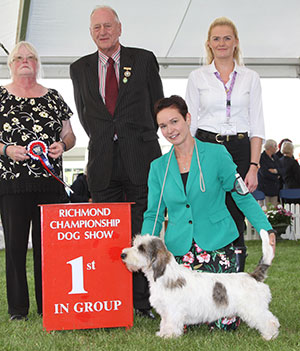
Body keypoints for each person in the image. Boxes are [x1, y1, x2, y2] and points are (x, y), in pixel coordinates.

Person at [141, 95, 276, 331]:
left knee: (225, 321)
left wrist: (266, 228)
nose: (170, 130)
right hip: (180, 252)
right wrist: (145, 246)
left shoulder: (217, 154)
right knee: (179, 319)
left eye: (174, 121)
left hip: (217, 244)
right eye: (163, 126)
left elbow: (241, 195)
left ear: (188, 119)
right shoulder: (158, 167)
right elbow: (153, 214)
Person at [70, 6, 164, 318]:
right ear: (91, 32)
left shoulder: (144, 59)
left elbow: (157, 105)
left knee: (141, 233)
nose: (102, 32)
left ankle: (142, 303)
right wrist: (106, 138)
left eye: (108, 26)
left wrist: (134, 137)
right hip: (102, 163)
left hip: (141, 158)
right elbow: (86, 115)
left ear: (119, 28)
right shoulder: (79, 67)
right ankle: (111, 300)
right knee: (107, 235)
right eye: (96, 27)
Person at [0, 41, 76, 320]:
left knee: (49, 249)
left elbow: (70, 135)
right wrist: (7, 149)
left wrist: (62, 145)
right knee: (15, 247)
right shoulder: (0, 95)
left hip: (49, 183)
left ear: (37, 63)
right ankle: (18, 310)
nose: (25, 61)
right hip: (11, 183)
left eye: (30, 57)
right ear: (10, 64)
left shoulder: (54, 96)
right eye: (19, 57)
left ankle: (50, 304)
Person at [185, 17, 266, 271]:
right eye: (216, 38)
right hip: (206, 148)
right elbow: (190, 123)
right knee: (206, 211)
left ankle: (237, 279)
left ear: (236, 43)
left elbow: (257, 125)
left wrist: (253, 166)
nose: (222, 43)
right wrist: (188, 160)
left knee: (235, 213)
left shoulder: (251, 77)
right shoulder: (197, 77)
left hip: (240, 151)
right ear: (209, 44)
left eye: (227, 38)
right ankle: (207, 277)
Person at [257, 140, 281, 206]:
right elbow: (264, 172)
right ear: (270, 147)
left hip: (274, 189)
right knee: (264, 209)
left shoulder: (275, 157)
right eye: (275, 146)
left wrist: (275, 171)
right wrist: (276, 176)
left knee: (273, 210)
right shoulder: (261, 157)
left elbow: (281, 170)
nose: (276, 148)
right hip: (264, 189)